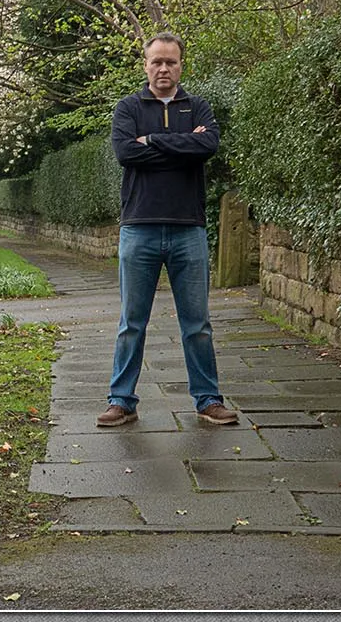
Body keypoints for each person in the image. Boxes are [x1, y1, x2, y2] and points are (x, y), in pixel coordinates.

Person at [98, 33, 234, 429]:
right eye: (156, 62)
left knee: (197, 323)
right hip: (138, 228)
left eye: (170, 62)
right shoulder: (127, 108)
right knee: (131, 323)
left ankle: (208, 399)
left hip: (188, 229)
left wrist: (154, 141)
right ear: (145, 65)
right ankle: (121, 400)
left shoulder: (199, 107)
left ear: (180, 66)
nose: (163, 69)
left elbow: (207, 147)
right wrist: (180, 147)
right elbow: (126, 153)